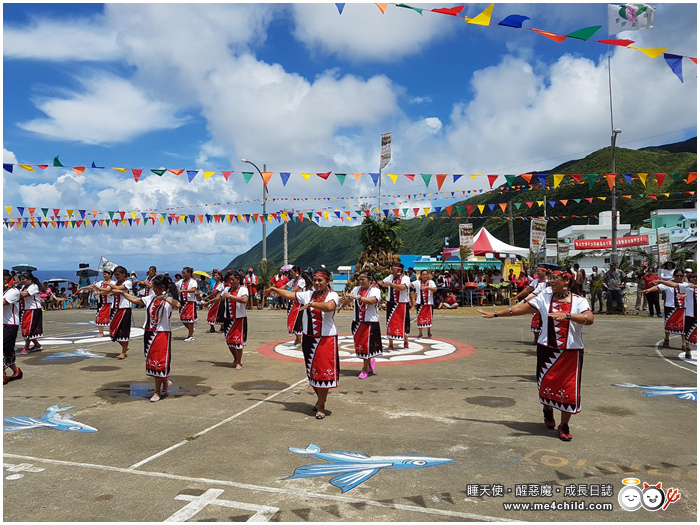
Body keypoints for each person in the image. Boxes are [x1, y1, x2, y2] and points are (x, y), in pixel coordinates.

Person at [478, 267, 594, 442]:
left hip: (571, 352)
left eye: (555, 278)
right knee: (546, 383)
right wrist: (494, 314)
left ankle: (564, 425)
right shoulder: (543, 298)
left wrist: (568, 315)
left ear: (567, 280)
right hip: (547, 349)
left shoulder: (579, 301)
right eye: (551, 278)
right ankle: (547, 409)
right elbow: (518, 309)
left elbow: (589, 319)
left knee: (569, 390)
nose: (551, 281)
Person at [268, 268, 339, 419]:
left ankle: (321, 405)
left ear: (327, 282)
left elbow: (329, 307)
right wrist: (274, 289)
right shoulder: (308, 294)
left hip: (326, 339)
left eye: (321, 280)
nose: (317, 283)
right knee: (312, 372)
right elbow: (290, 295)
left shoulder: (332, 295)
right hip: (309, 338)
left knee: (323, 374)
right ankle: (320, 400)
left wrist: (312, 304)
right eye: (315, 280)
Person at [112, 274, 181, 402]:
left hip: (162, 334)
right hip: (149, 333)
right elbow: (136, 300)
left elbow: (178, 305)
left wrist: (164, 297)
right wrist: (122, 293)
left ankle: (157, 392)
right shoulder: (151, 297)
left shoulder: (168, 300)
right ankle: (165, 382)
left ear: (161, 287)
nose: (152, 288)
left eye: (154, 287)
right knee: (151, 360)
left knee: (159, 362)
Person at [338, 270, 382, 379]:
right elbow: (349, 299)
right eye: (360, 279)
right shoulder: (356, 289)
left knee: (366, 346)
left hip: (369, 322)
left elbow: (372, 301)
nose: (361, 281)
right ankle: (369, 362)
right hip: (357, 321)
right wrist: (342, 306)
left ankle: (365, 368)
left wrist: (357, 297)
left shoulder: (375, 290)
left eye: (363, 279)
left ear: (370, 280)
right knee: (360, 345)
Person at [205, 271, 249, 369]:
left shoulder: (243, 289)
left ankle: (239, 361)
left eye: (233, 280)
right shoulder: (227, 289)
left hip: (239, 319)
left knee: (238, 341)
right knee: (229, 341)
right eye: (230, 280)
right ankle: (235, 358)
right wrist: (209, 302)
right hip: (227, 319)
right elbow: (219, 298)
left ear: (238, 280)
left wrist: (230, 296)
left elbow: (245, 300)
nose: (232, 282)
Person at [650, 272, 696, 359]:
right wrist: (660, 281)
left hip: (684, 308)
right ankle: (686, 347)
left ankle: (684, 344)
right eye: (693, 277)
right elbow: (672, 285)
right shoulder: (687, 286)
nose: (695, 279)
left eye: (697, 277)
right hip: (686, 311)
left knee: (686, 329)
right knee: (686, 329)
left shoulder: (688, 285)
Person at [644, 270, 687, 350]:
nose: (679, 277)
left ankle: (684, 343)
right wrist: (649, 290)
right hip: (670, 306)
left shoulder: (686, 285)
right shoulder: (668, 284)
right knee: (668, 324)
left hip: (682, 308)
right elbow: (658, 287)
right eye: (677, 276)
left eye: (681, 276)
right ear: (674, 276)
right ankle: (666, 338)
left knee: (683, 326)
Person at [377, 263, 411, 350]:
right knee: (390, 322)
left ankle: (406, 341)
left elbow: (402, 287)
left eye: (394, 270)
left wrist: (390, 284)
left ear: (399, 270)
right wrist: (377, 284)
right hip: (391, 303)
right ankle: (390, 343)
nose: (392, 271)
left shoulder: (406, 278)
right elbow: (383, 283)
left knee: (404, 323)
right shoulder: (390, 277)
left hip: (402, 304)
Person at [102, 266, 133, 359]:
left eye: (118, 275)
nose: (116, 277)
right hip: (114, 308)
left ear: (124, 274)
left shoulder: (128, 282)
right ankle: (125, 346)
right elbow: (110, 290)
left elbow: (117, 288)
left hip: (124, 308)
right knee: (112, 330)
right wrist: (98, 289)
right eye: (115, 275)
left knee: (123, 330)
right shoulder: (115, 282)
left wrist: (109, 284)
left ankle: (123, 351)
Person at [79, 268, 114, 338]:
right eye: (103, 274)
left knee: (112, 318)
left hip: (110, 303)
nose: (104, 275)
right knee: (99, 317)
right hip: (102, 303)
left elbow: (109, 290)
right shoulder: (100, 282)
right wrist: (82, 288)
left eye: (106, 274)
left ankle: (113, 331)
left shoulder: (113, 283)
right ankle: (101, 333)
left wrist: (99, 292)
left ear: (110, 275)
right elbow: (93, 286)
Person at [4, 270, 23, 384]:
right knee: (8, 350)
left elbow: (4, 303)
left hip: (10, 324)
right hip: (3, 323)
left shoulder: (14, 291)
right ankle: (17, 371)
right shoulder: (4, 291)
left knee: (3, 349)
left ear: (6, 279)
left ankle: (3, 374)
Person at [18, 272, 45, 354]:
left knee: (28, 329)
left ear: (30, 280)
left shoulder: (34, 286)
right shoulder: (23, 287)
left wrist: (13, 291)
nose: (22, 281)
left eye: (23, 279)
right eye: (21, 279)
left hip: (33, 309)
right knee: (26, 328)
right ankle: (37, 345)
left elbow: (25, 294)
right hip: (25, 309)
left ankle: (26, 347)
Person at [285, 266, 310, 346]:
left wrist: (285, 294)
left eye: (292, 272)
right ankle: (297, 337)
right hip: (291, 302)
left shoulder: (301, 281)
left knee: (297, 320)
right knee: (291, 319)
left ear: (297, 272)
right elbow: (285, 286)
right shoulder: (293, 280)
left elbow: (295, 290)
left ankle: (299, 339)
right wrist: (276, 290)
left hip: (298, 303)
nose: (290, 273)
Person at [413, 270, 437, 338]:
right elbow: (410, 284)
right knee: (419, 317)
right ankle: (420, 333)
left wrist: (427, 287)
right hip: (420, 303)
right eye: (423, 274)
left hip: (429, 303)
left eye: (426, 274)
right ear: (421, 275)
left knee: (429, 317)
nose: (424, 276)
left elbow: (435, 289)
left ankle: (429, 332)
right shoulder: (417, 282)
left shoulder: (431, 282)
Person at [177, 267, 198, 342]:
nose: (183, 274)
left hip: (190, 302)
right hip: (182, 302)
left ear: (189, 274)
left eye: (184, 273)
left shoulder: (193, 281)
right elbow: (175, 286)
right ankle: (191, 329)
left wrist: (183, 290)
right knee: (183, 318)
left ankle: (191, 335)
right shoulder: (181, 281)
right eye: (182, 273)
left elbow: (193, 290)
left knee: (189, 319)